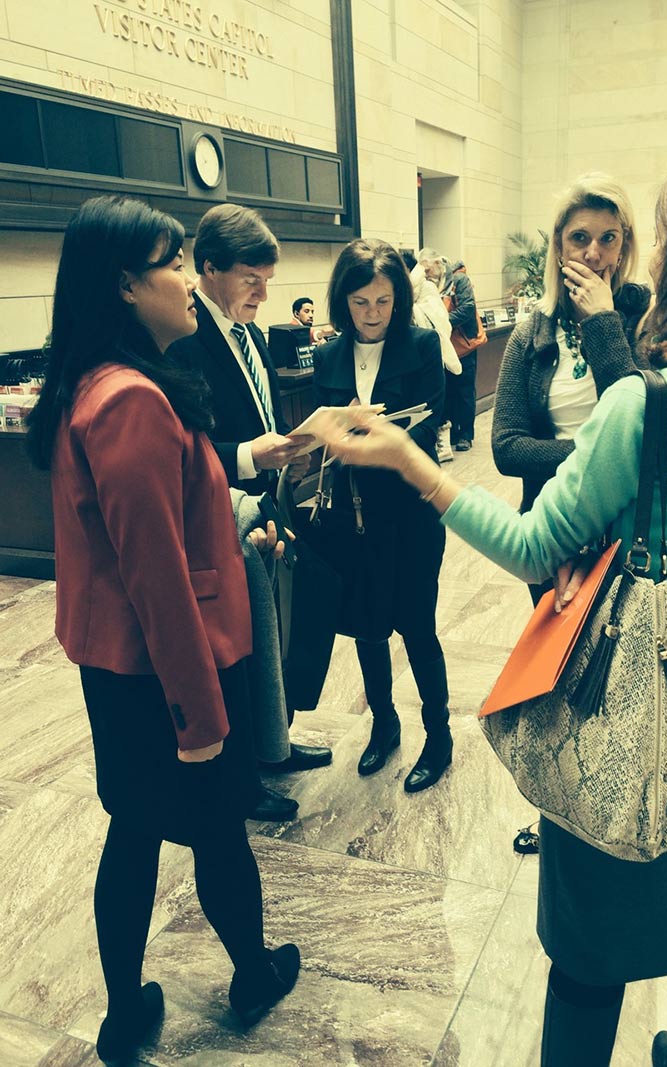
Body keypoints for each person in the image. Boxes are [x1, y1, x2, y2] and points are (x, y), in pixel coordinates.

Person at [312, 154, 667, 1067]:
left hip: (630, 702)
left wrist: (412, 463)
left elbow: (533, 546)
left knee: (588, 938)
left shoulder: (650, 407)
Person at [25, 196, 301, 1063]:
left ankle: (123, 1012)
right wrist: (202, 719)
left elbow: (165, 526)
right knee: (218, 829)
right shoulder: (130, 401)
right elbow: (157, 576)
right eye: (173, 262)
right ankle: (252, 974)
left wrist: (237, 510)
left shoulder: (99, 380)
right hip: (166, 671)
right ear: (125, 283)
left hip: (118, 666)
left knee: (135, 825)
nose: (189, 279)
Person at [169, 204, 332, 804]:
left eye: (268, 280)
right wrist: (246, 457)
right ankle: (243, 779)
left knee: (272, 638)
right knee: (233, 652)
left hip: (265, 506)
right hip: (219, 516)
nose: (265, 293)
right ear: (209, 268)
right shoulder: (184, 342)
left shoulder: (251, 333)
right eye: (251, 280)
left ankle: (274, 743)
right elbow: (181, 447)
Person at [313, 238, 453, 793]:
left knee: (419, 628)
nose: (372, 315)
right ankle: (384, 725)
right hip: (353, 517)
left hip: (411, 513)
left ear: (398, 299)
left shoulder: (420, 347)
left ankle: (438, 736)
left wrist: (368, 434)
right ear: (342, 302)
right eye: (361, 303)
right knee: (368, 630)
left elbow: (428, 424)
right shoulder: (327, 356)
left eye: (383, 302)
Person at [492, 174, 651, 606]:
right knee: (557, 662)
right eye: (579, 237)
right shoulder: (530, 335)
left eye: (608, 239)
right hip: (552, 528)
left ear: (623, 249)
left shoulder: (646, 325)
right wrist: (597, 456)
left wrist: (604, 322)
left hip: (626, 534)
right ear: (560, 246)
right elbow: (507, 448)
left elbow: (640, 431)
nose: (593, 253)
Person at [400, 249, 461, 463]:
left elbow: (438, 317)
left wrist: (411, 310)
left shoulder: (425, 287)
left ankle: (441, 443)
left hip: (431, 349)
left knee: (435, 403)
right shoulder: (402, 289)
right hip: (409, 352)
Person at [419, 249, 481, 452]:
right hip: (443, 348)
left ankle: (466, 435)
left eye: (428, 269)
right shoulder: (429, 285)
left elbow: (468, 307)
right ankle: (452, 432)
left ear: (438, 262)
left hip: (463, 345)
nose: (426, 274)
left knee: (464, 391)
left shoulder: (459, 280)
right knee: (447, 391)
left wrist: (441, 322)